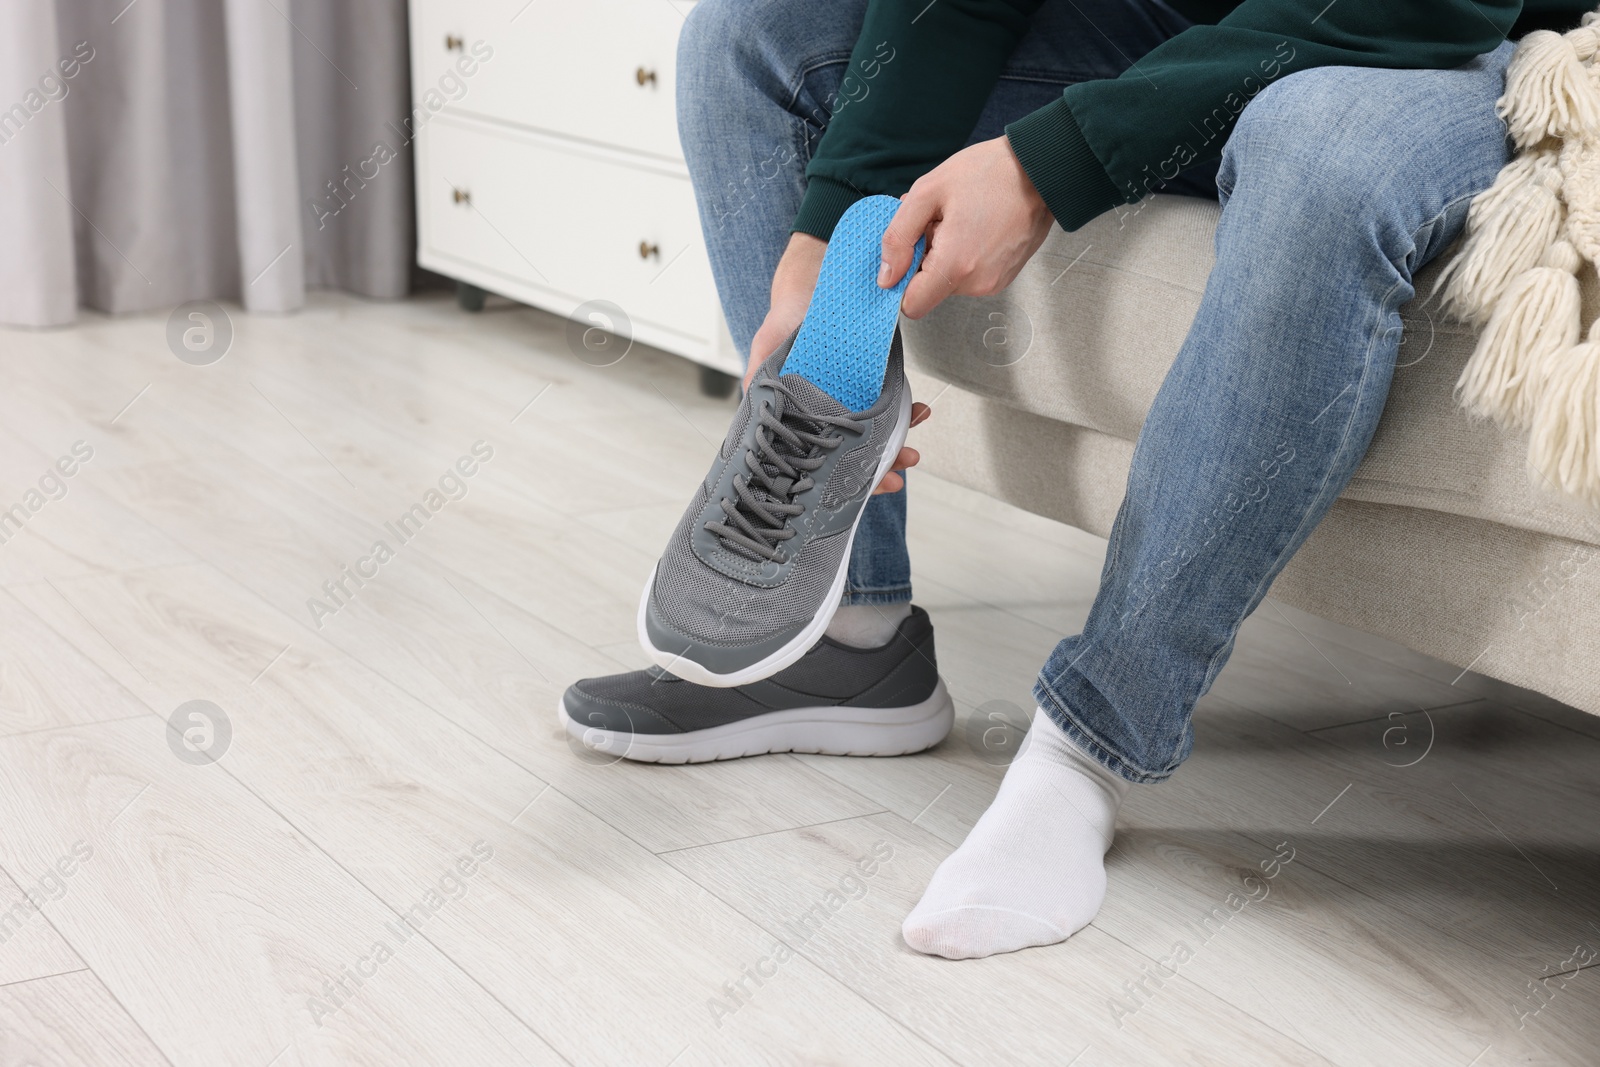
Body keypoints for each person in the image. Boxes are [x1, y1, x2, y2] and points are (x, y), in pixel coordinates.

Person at [564, 0, 1592, 959]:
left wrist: (1046, 164)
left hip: (1457, 43)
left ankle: (1088, 747)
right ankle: (847, 641)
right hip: (1190, 22)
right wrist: (828, 223)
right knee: (752, 39)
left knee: (1317, 147)